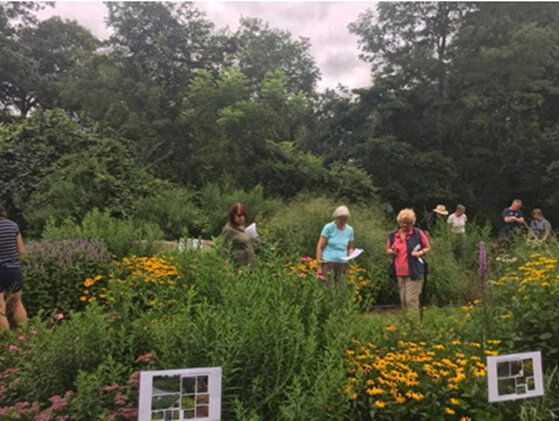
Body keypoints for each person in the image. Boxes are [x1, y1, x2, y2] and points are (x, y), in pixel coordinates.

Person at [387, 209, 431, 312]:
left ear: (412, 223)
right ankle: (406, 323)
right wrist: (391, 251)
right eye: (403, 222)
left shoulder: (418, 233)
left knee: (411, 299)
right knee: (403, 300)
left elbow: (427, 247)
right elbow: (388, 248)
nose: (405, 225)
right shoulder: (393, 235)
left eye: (408, 223)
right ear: (399, 221)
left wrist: (419, 253)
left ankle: (414, 325)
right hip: (399, 271)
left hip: (414, 271)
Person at [0, 200, 28, 330]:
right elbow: (21, 251)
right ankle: (25, 335)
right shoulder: (12, 225)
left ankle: (4, 341)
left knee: (0, 309)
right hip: (13, 269)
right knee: (17, 304)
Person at [316, 205, 354, 281]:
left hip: (343, 264)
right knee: (327, 287)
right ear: (336, 218)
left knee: (341, 289)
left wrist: (351, 255)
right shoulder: (328, 227)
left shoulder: (350, 230)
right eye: (341, 219)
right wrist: (319, 266)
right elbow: (319, 247)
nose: (343, 221)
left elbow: (350, 247)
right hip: (328, 262)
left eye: (345, 219)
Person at [221, 202, 256, 267]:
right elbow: (224, 250)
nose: (242, 217)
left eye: (244, 215)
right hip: (238, 267)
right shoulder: (229, 230)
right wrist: (227, 269)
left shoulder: (242, 227)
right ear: (232, 215)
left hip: (249, 265)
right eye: (239, 215)